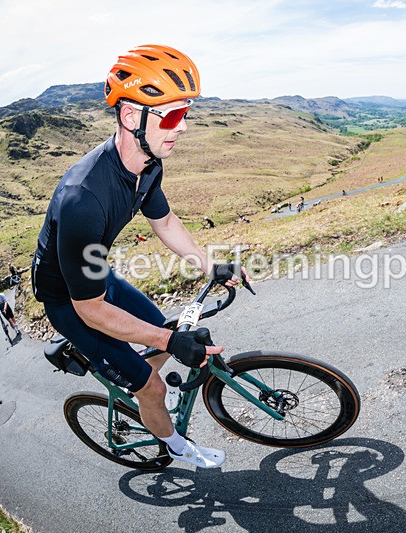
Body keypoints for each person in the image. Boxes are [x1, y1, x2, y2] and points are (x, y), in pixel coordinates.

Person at [32, 44, 248, 469]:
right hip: (70, 302)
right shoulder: (84, 197)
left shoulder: (147, 165)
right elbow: (90, 308)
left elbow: (164, 222)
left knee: (160, 330)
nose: (182, 127)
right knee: (152, 383)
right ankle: (178, 447)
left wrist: (209, 265)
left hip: (96, 274)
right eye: (171, 116)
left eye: (184, 114)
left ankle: (130, 372)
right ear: (132, 117)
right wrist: (169, 342)